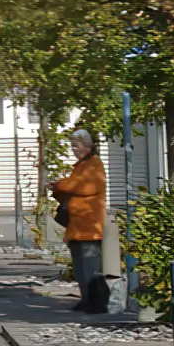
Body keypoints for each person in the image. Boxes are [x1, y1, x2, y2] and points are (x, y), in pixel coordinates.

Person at [50, 128, 112, 313]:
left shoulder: (93, 164)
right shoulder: (82, 166)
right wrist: (60, 188)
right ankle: (87, 300)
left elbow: (82, 187)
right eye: (72, 147)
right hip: (79, 225)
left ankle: (97, 303)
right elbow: (75, 187)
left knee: (90, 266)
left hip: (88, 225)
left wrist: (60, 185)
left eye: (76, 146)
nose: (74, 150)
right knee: (81, 267)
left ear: (86, 145)